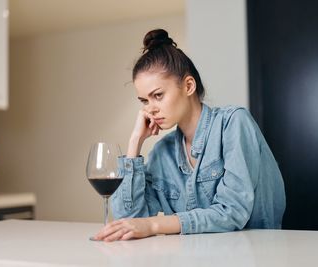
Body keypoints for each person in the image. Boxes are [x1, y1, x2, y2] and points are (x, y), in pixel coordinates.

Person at [93, 29, 286, 242]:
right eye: (144, 101)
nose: (151, 109)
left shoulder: (233, 123)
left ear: (188, 86)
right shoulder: (162, 152)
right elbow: (128, 220)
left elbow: (232, 212)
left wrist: (154, 224)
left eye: (158, 95)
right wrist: (134, 143)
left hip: (256, 256)